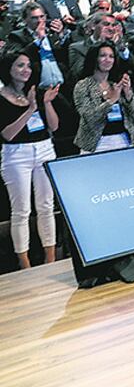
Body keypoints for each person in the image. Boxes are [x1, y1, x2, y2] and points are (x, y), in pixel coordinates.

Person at [0, 51, 59, 269]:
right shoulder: (2, 96)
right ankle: (24, 263)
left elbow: (53, 127)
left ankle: (50, 257)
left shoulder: (36, 92)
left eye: (28, 66)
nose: (26, 70)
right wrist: (30, 109)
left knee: (46, 206)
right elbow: (7, 134)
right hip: (16, 154)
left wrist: (47, 104)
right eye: (20, 66)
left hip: (44, 148)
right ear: (9, 69)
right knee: (22, 210)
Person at [73, 41, 134, 153]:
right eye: (103, 56)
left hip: (124, 140)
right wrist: (111, 101)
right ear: (94, 58)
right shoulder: (83, 85)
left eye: (111, 56)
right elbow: (89, 117)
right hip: (96, 143)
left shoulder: (116, 83)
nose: (108, 60)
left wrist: (128, 94)